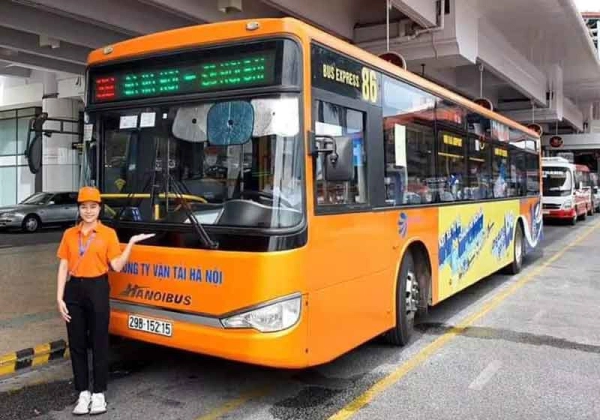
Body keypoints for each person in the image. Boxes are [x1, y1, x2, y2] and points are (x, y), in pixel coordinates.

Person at [56, 186, 154, 415]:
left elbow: (117, 266)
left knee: (99, 342)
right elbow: (63, 266)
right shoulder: (69, 235)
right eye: (84, 207)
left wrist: (130, 244)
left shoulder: (108, 234)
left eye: (93, 207)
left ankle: (99, 393)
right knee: (77, 344)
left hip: (98, 287)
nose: (88, 211)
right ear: (78, 209)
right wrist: (59, 297)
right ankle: (82, 393)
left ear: (99, 208)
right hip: (74, 290)